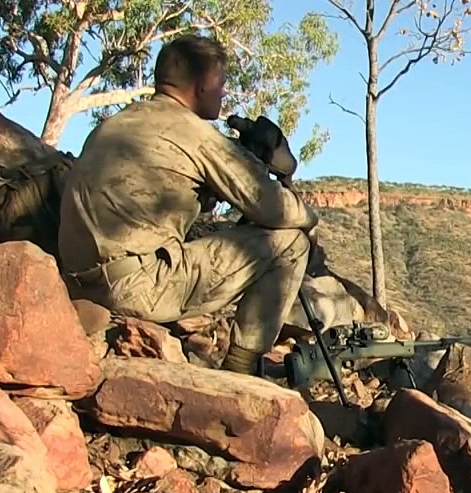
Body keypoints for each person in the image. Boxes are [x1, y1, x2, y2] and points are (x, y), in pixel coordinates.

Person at [57, 34, 320, 375]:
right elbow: (271, 208)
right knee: (291, 243)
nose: (224, 92)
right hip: (136, 288)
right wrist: (308, 217)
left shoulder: (119, 123)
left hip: (80, 280)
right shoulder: (195, 133)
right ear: (203, 84)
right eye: (222, 82)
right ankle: (243, 371)